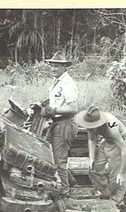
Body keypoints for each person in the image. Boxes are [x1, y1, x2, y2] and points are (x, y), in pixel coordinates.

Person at [75, 105, 126, 205]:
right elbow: (91, 139)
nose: (90, 129)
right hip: (107, 142)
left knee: (116, 176)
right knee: (94, 168)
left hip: (120, 144)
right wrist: (91, 157)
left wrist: (122, 172)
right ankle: (104, 191)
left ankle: (117, 200)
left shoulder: (111, 126)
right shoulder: (90, 122)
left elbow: (125, 149)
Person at [40, 51, 79, 196]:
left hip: (65, 123)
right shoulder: (57, 82)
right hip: (56, 122)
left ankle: (64, 189)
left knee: (59, 159)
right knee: (47, 153)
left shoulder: (68, 83)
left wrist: (53, 110)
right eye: (52, 66)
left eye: (56, 66)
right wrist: (41, 104)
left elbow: (73, 108)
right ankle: (70, 180)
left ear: (64, 67)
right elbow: (55, 100)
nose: (53, 69)